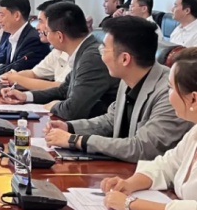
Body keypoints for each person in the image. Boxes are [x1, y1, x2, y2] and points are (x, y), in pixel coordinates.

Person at [43, 17, 190, 161]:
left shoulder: (171, 92)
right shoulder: (128, 78)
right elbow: (111, 120)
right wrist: (69, 127)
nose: (101, 55)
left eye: (104, 49)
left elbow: (142, 148)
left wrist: (76, 140)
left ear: (125, 59)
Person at [101, 48, 197, 210]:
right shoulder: (194, 132)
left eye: (170, 88)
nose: (167, 95)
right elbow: (166, 165)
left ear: (193, 99)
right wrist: (129, 184)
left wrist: (131, 204)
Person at [1, 2, 116, 120]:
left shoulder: (91, 58)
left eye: (47, 31)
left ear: (59, 36)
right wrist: (26, 96)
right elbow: (63, 90)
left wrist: (54, 106)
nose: (45, 34)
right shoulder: (84, 50)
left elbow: (73, 110)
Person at [0, 0, 71, 91]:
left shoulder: (75, 53)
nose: (37, 27)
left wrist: (17, 79)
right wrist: (10, 76)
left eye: (41, 21)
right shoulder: (57, 51)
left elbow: (61, 87)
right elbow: (34, 73)